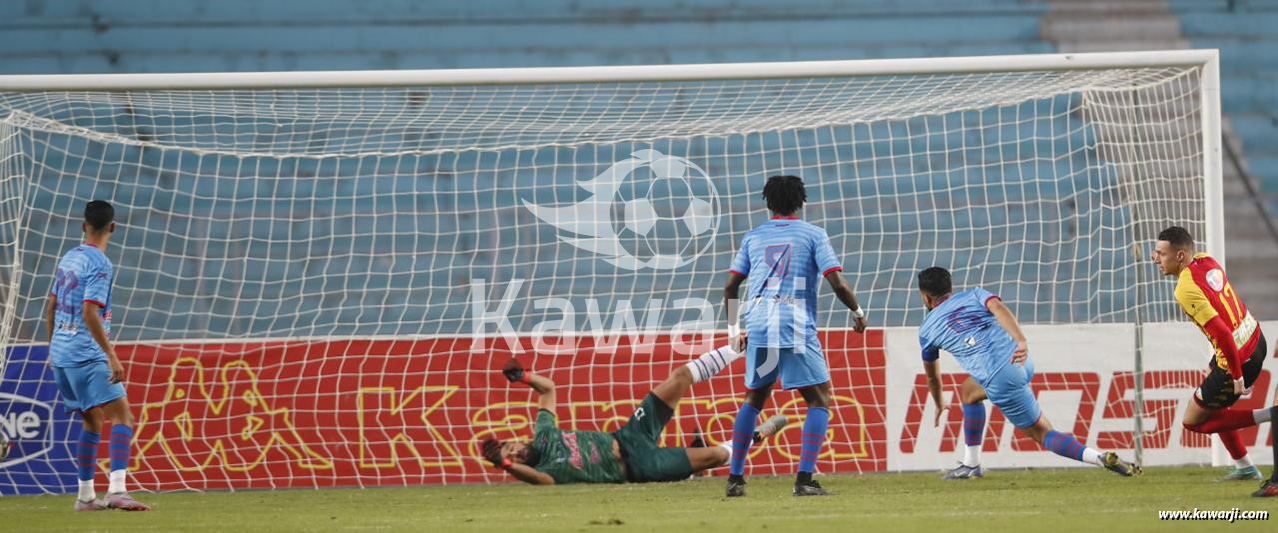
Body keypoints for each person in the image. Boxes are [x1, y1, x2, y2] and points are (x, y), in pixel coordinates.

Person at [916, 266, 1140, 480]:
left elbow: (933, 376)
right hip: (1021, 359)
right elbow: (998, 308)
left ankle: (1099, 457)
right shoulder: (974, 294)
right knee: (969, 391)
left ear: (925, 297)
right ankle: (971, 464)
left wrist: (938, 402)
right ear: (950, 288)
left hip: (1000, 377)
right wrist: (1021, 340)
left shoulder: (927, 330)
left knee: (1042, 433)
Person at [722, 175, 868, 497]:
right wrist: (857, 313)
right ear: (802, 202)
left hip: (759, 322)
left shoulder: (753, 237)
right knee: (818, 399)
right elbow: (838, 283)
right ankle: (804, 480)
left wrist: (734, 330)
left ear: (768, 203)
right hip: (794, 325)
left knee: (755, 398)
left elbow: (731, 286)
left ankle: (735, 479)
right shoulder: (814, 235)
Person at [481, 344, 787, 485]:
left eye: (512, 446)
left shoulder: (544, 434)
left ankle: (742, 344)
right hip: (641, 467)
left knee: (679, 376)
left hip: (630, 435)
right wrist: (505, 464)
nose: (517, 451)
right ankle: (756, 436)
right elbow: (539, 481)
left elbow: (547, 389)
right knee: (718, 457)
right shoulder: (546, 472)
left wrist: (522, 376)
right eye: (513, 456)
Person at [1151, 226, 1277, 496]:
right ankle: (1245, 467)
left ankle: (1271, 415)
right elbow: (1225, 311)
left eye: (1161, 253)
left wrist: (1236, 377)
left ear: (1181, 255)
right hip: (1255, 338)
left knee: (1193, 421)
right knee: (1212, 406)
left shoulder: (1184, 288)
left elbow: (1221, 333)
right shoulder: (1206, 260)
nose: (1155, 258)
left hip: (1237, 356)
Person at [47, 200, 150, 511]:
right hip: (86, 353)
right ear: (113, 227)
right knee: (123, 416)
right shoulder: (100, 263)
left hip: (62, 355)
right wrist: (111, 355)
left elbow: (51, 305)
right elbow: (90, 311)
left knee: (93, 422)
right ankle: (117, 490)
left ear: (83, 225)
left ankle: (86, 497)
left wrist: (53, 346)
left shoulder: (69, 256)